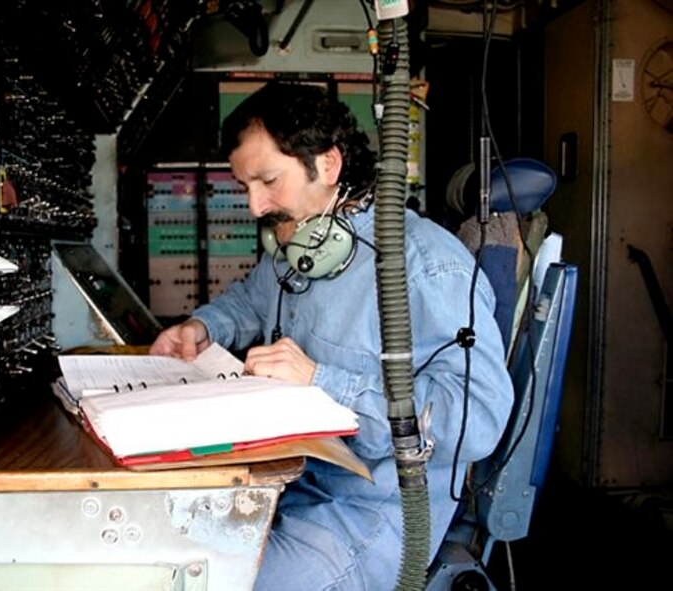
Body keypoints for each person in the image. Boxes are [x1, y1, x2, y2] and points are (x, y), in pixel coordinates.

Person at [149, 81, 514, 591]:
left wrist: (323, 381)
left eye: (268, 181)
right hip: (293, 485)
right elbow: (251, 299)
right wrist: (202, 326)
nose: (255, 206)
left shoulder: (426, 266)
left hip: (373, 512)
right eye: (245, 187)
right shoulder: (302, 246)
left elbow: (479, 418)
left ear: (328, 165)